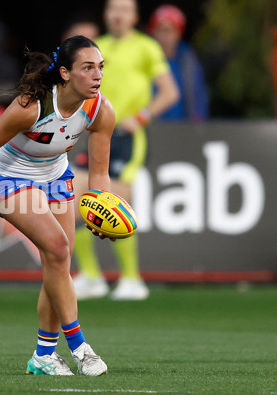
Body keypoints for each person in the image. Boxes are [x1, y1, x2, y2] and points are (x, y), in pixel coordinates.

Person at [0, 35, 114, 376]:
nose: (97, 75)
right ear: (65, 73)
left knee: (59, 264)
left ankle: (43, 356)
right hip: (6, 176)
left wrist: (99, 209)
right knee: (57, 246)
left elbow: (98, 173)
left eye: (100, 68)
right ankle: (80, 347)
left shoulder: (100, 109)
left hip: (55, 175)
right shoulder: (31, 106)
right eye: (87, 68)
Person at [71, 0, 180, 301]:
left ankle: (132, 279)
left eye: (124, 9)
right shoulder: (96, 47)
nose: (117, 15)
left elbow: (170, 92)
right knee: (75, 201)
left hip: (126, 137)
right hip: (95, 134)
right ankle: (91, 276)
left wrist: (142, 116)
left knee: (114, 205)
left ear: (134, 16)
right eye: (112, 9)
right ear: (105, 14)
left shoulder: (146, 47)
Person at [147, 4, 209, 121]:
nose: (165, 36)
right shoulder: (145, 56)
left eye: (170, 30)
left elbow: (198, 94)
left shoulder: (188, 59)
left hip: (182, 127)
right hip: (151, 127)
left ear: (179, 33)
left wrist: (198, 122)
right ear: (153, 32)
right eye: (161, 29)